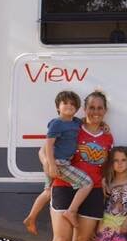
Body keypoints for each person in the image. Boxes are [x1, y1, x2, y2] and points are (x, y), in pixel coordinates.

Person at [33, 90, 113, 241]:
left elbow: (105, 163)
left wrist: (105, 179)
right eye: (91, 107)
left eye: (99, 108)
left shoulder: (108, 136)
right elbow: (44, 150)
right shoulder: (73, 127)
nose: (95, 112)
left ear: (105, 111)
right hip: (64, 187)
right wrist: (49, 166)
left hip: (92, 191)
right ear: (84, 109)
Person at [23, 90, 94, 232]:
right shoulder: (56, 124)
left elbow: (88, 122)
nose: (69, 106)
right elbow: (49, 145)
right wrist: (52, 164)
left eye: (73, 104)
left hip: (60, 162)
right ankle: (71, 211)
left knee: (48, 191)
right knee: (87, 183)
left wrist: (103, 125)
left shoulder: (76, 122)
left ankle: (31, 218)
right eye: (65, 103)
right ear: (57, 107)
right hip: (59, 163)